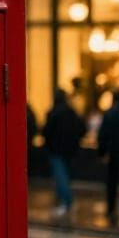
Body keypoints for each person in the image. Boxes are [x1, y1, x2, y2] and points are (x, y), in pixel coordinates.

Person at [42, 87, 85, 220]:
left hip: (56, 150)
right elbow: (82, 128)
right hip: (70, 150)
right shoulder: (72, 112)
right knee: (65, 175)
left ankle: (67, 202)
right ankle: (65, 202)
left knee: (60, 177)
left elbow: (46, 132)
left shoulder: (53, 113)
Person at [98, 95, 119, 228]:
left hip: (114, 154)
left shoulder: (109, 114)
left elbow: (103, 135)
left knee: (112, 183)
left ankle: (111, 209)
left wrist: (102, 153)